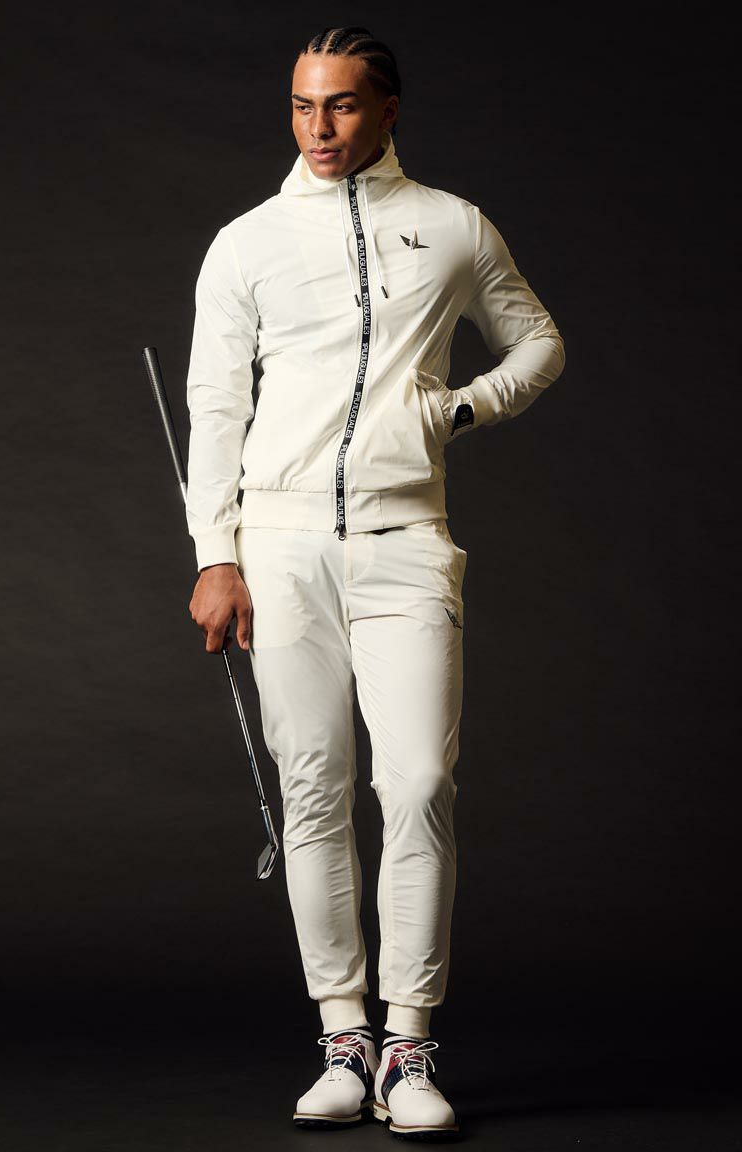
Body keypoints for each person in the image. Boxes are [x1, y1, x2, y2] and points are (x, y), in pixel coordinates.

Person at [185, 25, 565, 1140]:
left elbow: (538, 344)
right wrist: (216, 554)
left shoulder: (452, 225)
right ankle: (342, 1038)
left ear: (388, 110)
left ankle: (410, 1046)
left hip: (407, 542)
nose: (320, 127)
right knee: (313, 789)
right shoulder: (246, 243)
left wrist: (458, 408)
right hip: (281, 545)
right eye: (303, 105)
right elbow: (217, 405)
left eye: (343, 105)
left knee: (418, 785)